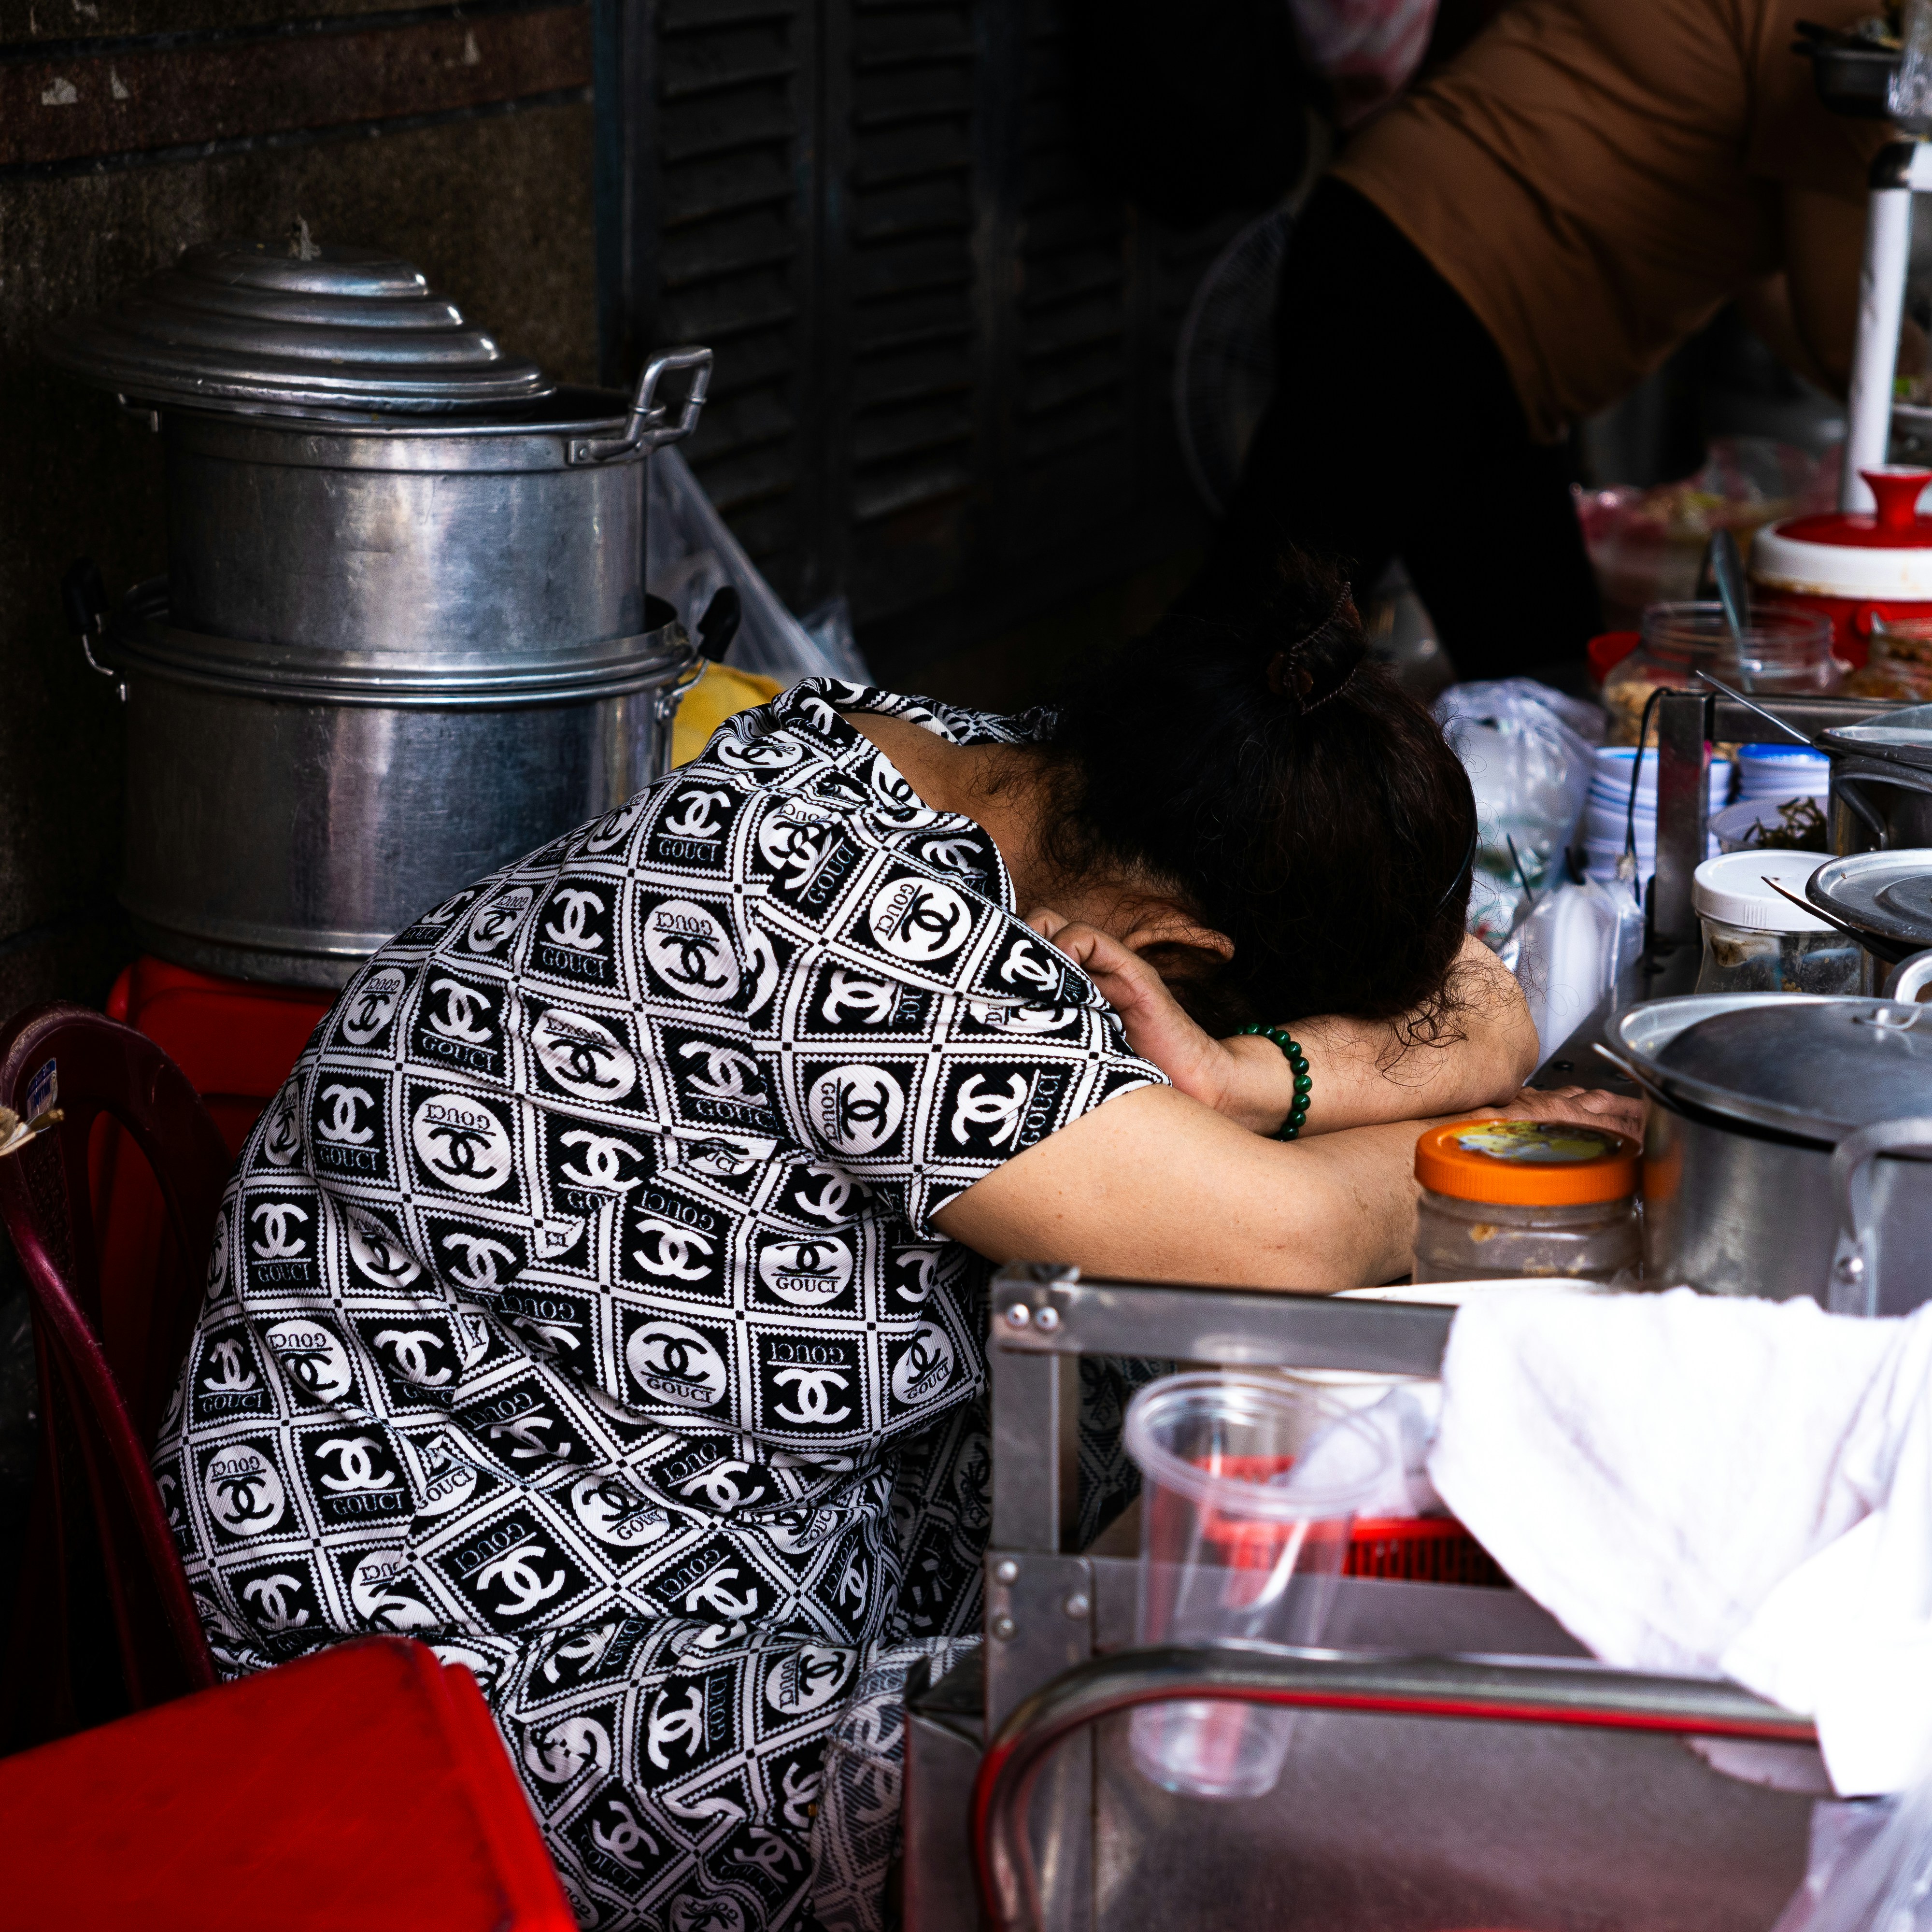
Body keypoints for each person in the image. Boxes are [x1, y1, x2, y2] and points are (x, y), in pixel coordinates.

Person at [156, 552, 1632, 1932]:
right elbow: (1296, 1234)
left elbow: (1481, 997)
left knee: (1240, 1577)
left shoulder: (1019, 777)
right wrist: (1475, 1145)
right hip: (484, 1651)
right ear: (1178, 950)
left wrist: (1260, 1076)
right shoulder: (867, 939)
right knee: (1197, 1792)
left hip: (728, 1520)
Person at [1203, 0, 1893, 680]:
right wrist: (1917, 397)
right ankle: (1148, 743)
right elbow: (1845, 333)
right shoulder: (1846, 28)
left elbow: (1788, 299)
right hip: (1438, 287)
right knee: (1259, 635)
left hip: (1434, 278)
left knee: (1545, 675)